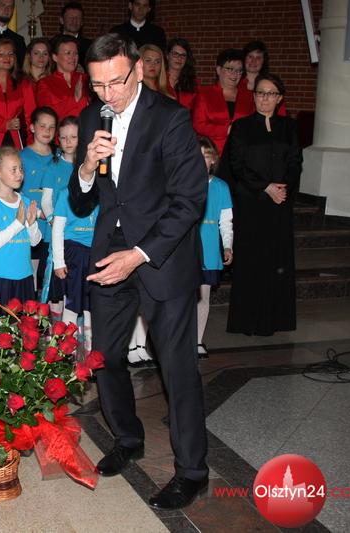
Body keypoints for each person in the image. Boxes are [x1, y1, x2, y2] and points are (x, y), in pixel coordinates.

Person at [68, 33, 209, 509]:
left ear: (139, 69)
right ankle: (127, 438)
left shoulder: (171, 118)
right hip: (111, 252)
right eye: (97, 85)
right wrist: (87, 165)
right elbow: (81, 198)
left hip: (161, 257)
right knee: (104, 356)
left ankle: (192, 471)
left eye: (115, 82)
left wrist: (140, 253)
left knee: (176, 367)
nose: (107, 94)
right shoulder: (92, 116)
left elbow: (189, 200)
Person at [226, 73, 301, 337]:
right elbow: (237, 164)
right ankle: (248, 320)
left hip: (280, 203)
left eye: (270, 93)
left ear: (279, 98)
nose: (264, 98)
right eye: (260, 93)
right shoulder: (241, 127)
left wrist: (283, 187)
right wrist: (265, 187)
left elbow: (295, 161)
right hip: (251, 203)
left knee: (276, 260)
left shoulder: (289, 127)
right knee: (252, 262)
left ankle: (276, 319)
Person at [50, 120, 97, 349]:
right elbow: (57, 229)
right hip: (73, 253)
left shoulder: (102, 192)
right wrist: (59, 261)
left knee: (90, 303)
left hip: (94, 254)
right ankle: (65, 348)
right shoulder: (64, 194)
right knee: (71, 300)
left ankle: (90, 349)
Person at [0, 145, 41, 305]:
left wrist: (32, 224)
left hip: (24, 275)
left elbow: (35, 242)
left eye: (21, 169)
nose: (19, 174)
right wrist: (18, 223)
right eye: (13, 170)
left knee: (23, 320)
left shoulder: (25, 201)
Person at [197, 136, 232, 357]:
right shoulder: (182, 183)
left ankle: (197, 340)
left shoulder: (221, 187)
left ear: (213, 160)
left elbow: (226, 222)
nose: (202, 160)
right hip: (186, 250)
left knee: (203, 297)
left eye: (206, 156)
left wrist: (227, 246)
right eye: (198, 156)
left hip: (209, 249)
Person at [20, 107, 58, 290]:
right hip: (32, 222)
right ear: (32, 127)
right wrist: (38, 212)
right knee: (32, 273)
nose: (47, 131)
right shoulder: (22, 157)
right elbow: (16, 193)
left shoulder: (59, 157)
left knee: (50, 275)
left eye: (52, 127)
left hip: (53, 225)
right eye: (42, 126)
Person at [192, 48, 254, 154]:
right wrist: (227, 129)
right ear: (218, 70)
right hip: (212, 153)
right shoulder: (204, 93)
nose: (235, 74)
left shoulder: (249, 96)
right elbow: (198, 125)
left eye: (239, 70)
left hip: (241, 152)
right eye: (230, 69)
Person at [36, 36, 89, 123]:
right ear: (55, 57)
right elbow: (47, 115)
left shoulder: (86, 78)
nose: (73, 57)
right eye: (68, 53)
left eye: (75, 53)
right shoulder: (45, 83)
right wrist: (74, 99)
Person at [165, 37, 197, 110]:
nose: (179, 58)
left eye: (183, 55)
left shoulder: (193, 84)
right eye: (175, 54)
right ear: (167, 56)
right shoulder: (157, 80)